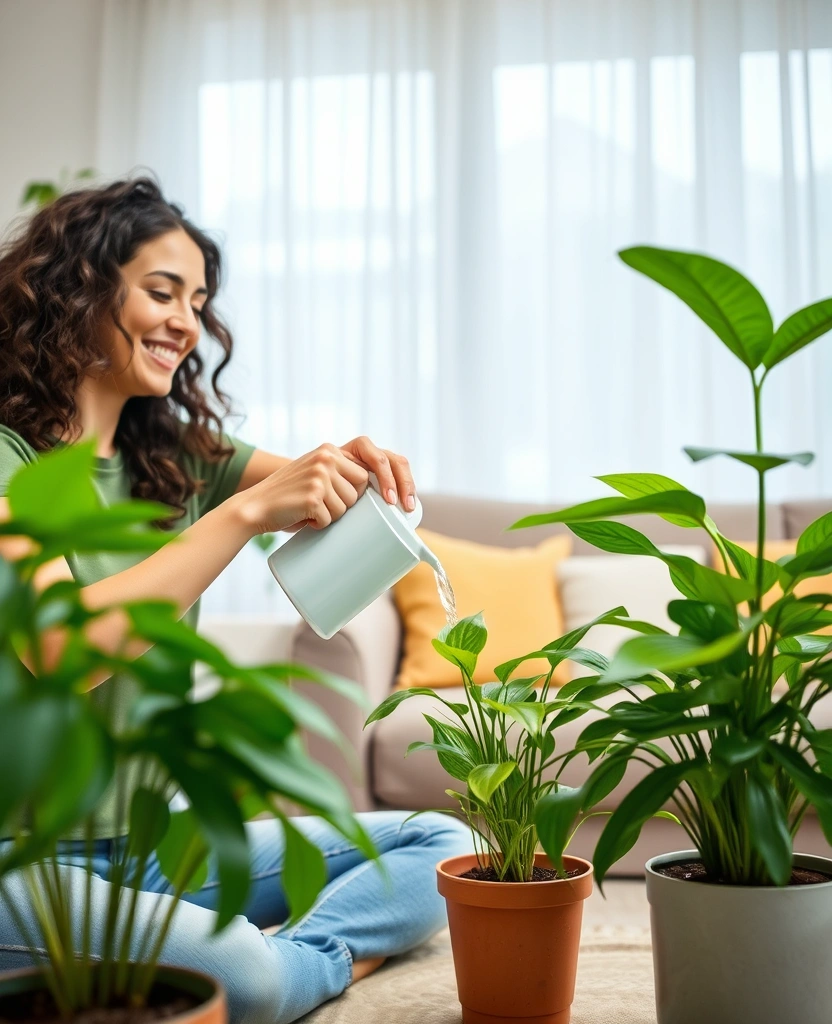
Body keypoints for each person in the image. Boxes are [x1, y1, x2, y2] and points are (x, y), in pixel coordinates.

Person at [0, 177, 471, 1023]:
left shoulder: (175, 454)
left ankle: (281, 955)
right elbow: (61, 651)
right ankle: (309, 959)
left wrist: (356, 471)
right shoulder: (8, 461)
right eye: (161, 291)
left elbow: (316, 481)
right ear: (77, 289)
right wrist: (246, 511)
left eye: (200, 300)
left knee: (445, 845)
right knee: (243, 981)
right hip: (21, 862)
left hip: (149, 849)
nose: (189, 322)